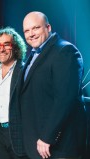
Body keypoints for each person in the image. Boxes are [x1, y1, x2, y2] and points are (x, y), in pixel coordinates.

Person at [21, 11, 87, 159]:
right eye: (26, 30)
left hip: (57, 146)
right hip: (37, 144)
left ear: (48, 27)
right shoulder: (33, 54)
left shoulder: (65, 51)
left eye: (35, 28)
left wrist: (47, 136)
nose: (31, 34)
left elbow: (65, 100)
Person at [0, 27, 28, 159]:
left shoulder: (24, 70)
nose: (2, 49)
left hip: (18, 133)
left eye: (7, 44)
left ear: (15, 47)